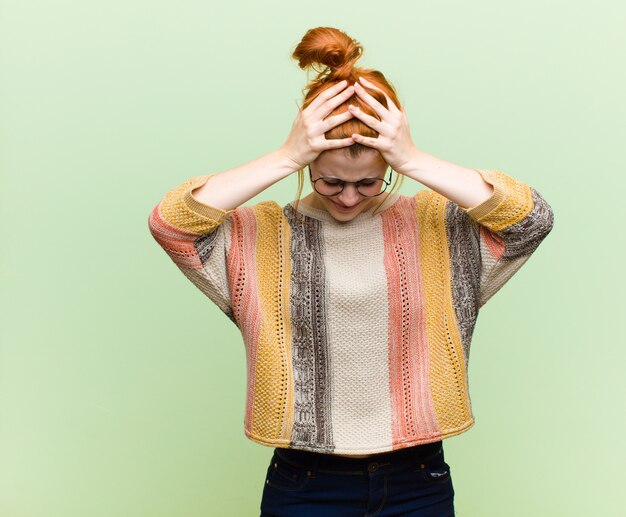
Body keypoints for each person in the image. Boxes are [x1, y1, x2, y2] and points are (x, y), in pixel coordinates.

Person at [148, 26, 554, 517]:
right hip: (305, 481)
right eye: (330, 179)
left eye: (367, 182)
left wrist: (413, 158)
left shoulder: (436, 227)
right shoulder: (261, 237)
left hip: (417, 478)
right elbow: (172, 223)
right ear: (309, 163)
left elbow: (531, 219)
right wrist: (286, 155)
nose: (347, 197)